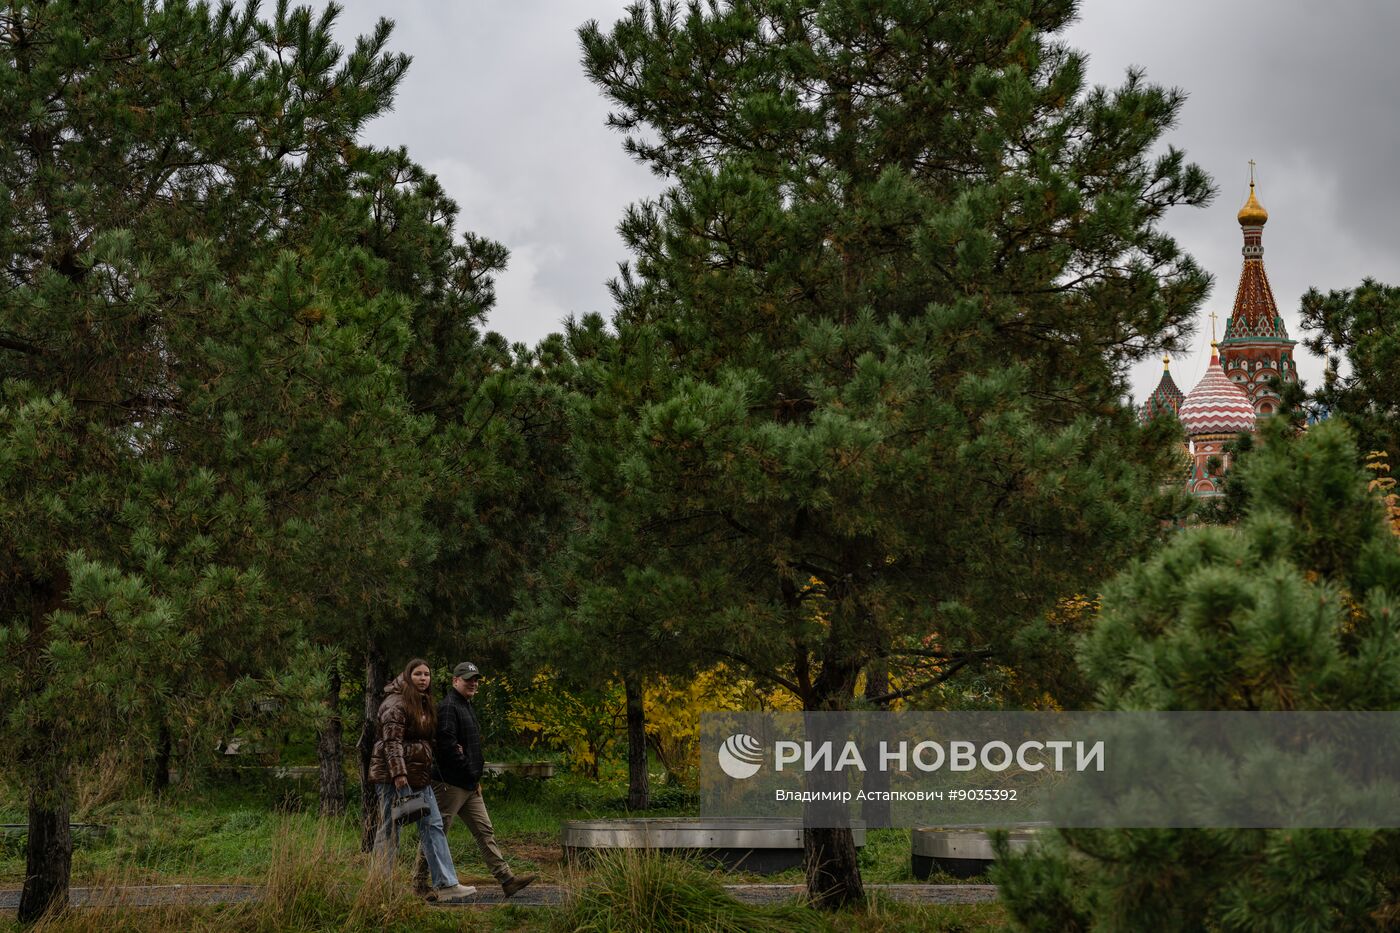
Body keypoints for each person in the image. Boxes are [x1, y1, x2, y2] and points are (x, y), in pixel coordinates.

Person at [414, 661, 537, 898]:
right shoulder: (449, 706)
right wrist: (468, 771)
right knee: (436, 834)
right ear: (455, 681)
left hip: (469, 785)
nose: (473, 683)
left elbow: (466, 746)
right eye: (468, 679)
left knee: (484, 831)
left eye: (475, 680)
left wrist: (474, 778)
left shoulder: (466, 705)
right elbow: (446, 745)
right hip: (449, 785)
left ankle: (507, 880)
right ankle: (419, 883)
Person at [370, 658, 476, 902]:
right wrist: (399, 775)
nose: (423, 678)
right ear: (408, 676)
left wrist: (449, 749)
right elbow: (391, 743)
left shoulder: (424, 703)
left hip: (420, 777)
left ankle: (446, 884)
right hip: (394, 778)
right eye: (417, 674)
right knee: (389, 830)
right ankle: (379, 885)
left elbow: (425, 740)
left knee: (433, 826)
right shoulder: (395, 703)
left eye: (426, 674)